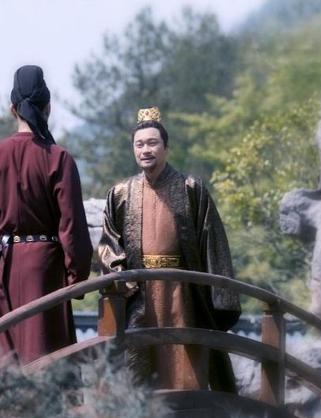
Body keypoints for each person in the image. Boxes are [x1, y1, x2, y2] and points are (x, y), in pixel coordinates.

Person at [98, 106, 241, 391]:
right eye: (139, 144)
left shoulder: (191, 188)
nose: (145, 150)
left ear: (166, 147)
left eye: (152, 143)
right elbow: (109, 243)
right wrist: (119, 275)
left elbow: (213, 244)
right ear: (133, 149)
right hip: (140, 293)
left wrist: (221, 299)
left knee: (185, 364)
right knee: (139, 367)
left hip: (183, 290)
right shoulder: (121, 193)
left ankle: (189, 411)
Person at [0, 65, 92, 365]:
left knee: (4, 361)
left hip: (2, 268)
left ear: (12, 109)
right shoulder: (58, 158)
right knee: (46, 357)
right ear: (48, 108)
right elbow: (72, 226)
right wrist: (76, 277)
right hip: (45, 270)